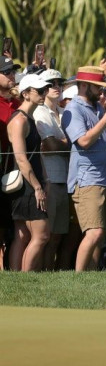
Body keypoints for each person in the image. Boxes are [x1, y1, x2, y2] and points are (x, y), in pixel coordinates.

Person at [61, 66, 106, 272]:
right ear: (84, 86)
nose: (102, 92)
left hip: (104, 178)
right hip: (87, 179)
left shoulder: (97, 107)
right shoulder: (73, 109)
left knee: (100, 233)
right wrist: (104, 121)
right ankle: (79, 278)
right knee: (93, 232)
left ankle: (91, 278)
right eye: (98, 87)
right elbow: (84, 141)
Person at [7, 75, 50, 271]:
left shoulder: (29, 118)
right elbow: (21, 159)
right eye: (39, 91)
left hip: (31, 183)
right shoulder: (19, 120)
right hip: (26, 186)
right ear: (25, 94)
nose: (44, 94)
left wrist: (44, 179)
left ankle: (18, 279)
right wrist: (37, 187)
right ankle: (26, 277)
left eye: (44, 90)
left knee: (23, 235)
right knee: (41, 235)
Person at [33, 69, 70, 269]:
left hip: (66, 177)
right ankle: (41, 274)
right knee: (47, 235)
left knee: (57, 236)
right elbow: (50, 145)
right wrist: (70, 144)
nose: (57, 87)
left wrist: (61, 143)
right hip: (50, 179)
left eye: (59, 83)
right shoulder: (39, 112)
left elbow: (56, 145)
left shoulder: (65, 112)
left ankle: (49, 274)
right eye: (51, 84)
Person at [0, 56, 21, 269]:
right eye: (6, 72)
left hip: (13, 170)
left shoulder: (16, 103)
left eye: (12, 71)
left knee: (9, 225)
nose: (11, 75)